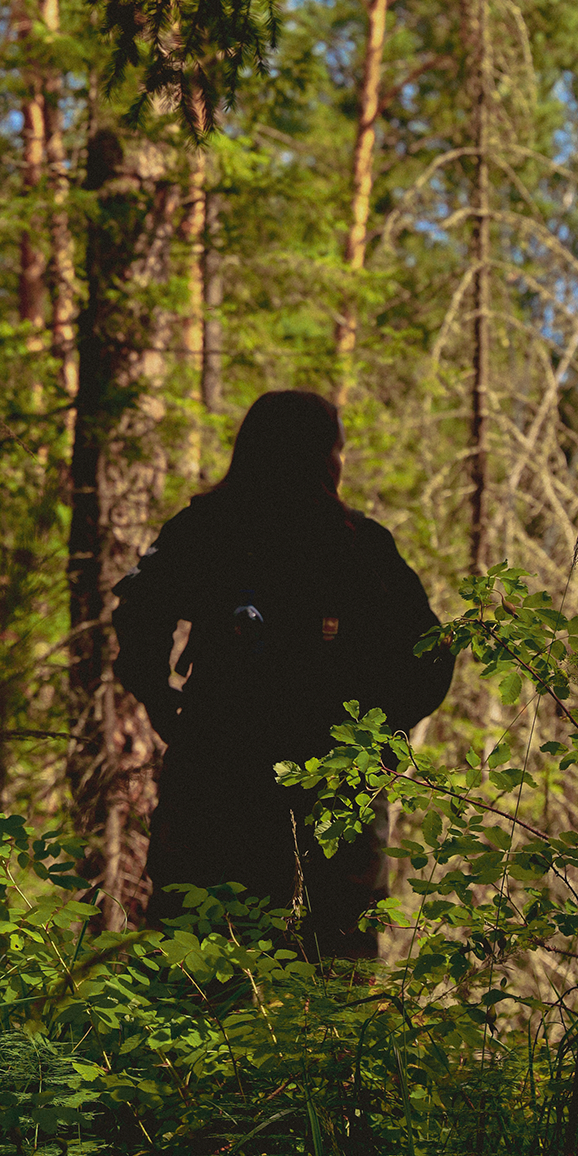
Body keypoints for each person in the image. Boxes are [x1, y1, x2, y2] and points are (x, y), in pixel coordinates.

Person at [110, 390, 454, 960]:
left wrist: (157, 697)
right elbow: (431, 652)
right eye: (337, 450)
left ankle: (185, 1052)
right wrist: (377, 738)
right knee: (332, 970)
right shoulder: (357, 545)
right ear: (323, 457)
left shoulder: (208, 529)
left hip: (219, 775)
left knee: (199, 961)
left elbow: (138, 610)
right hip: (318, 788)